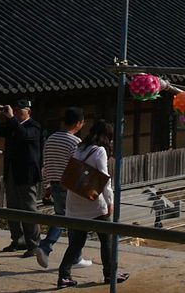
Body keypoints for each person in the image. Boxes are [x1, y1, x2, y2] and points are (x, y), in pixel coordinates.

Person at [56, 120, 128, 289]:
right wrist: (110, 201)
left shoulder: (79, 148)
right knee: (107, 239)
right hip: (93, 203)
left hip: (74, 200)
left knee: (76, 243)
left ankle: (64, 276)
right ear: (107, 137)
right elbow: (104, 178)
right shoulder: (100, 151)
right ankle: (110, 274)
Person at [35, 107, 91, 270]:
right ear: (79, 123)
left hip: (54, 182)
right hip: (70, 185)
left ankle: (75, 256)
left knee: (64, 217)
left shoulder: (51, 138)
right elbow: (78, 167)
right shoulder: (75, 142)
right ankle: (47, 246)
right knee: (72, 219)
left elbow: (46, 163)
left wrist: (47, 186)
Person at [0, 99, 44, 255]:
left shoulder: (34, 126)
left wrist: (12, 119)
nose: (18, 114)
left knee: (28, 209)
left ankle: (33, 244)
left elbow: (24, 136)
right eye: (16, 111)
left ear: (29, 112)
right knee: (12, 207)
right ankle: (18, 240)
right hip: (12, 171)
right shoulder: (13, 125)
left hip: (27, 173)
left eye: (21, 112)